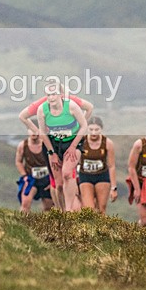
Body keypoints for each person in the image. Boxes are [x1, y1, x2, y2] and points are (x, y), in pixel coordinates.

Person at [36, 81, 88, 212]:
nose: (51, 97)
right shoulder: (42, 110)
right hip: (54, 145)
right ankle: (62, 210)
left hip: (73, 143)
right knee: (58, 184)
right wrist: (51, 153)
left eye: (54, 94)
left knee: (67, 174)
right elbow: (42, 133)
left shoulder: (71, 106)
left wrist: (73, 146)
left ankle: (69, 210)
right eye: (48, 95)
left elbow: (84, 126)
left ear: (61, 94)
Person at [77, 116, 117, 214]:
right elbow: (74, 163)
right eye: (91, 129)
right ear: (87, 129)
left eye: (96, 130)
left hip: (102, 176)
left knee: (101, 209)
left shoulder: (107, 143)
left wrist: (114, 187)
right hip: (85, 176)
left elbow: (111, 166)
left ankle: (101, 225)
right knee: (89, 210)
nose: (93, 133)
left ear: (101, 129)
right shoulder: (81, 141)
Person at [15, 119, 54, 213]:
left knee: (49, 207)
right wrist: (24, 176)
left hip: (46, 179)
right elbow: (18, 161)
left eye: (36, 130)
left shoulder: (47, 144)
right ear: (27, 130)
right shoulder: (22, 145)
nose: (34, 133)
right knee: (25, 204)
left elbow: (54, 161)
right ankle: (22, 221)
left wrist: (53, 179)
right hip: (31, 179)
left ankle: (46, 223)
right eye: (31, 130)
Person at [18, 90, 93, 136]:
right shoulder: (41, 104)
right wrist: (37, 132)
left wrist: (80, 126)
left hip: (71, 134)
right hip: (52, 136)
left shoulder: (70, 100)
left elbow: (89, 107)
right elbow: (22, 116)